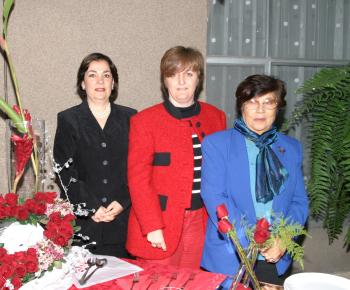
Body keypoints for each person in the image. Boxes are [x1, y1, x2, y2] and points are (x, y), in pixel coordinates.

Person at [200, 74, 308, 285]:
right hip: (230, 255)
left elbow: (299, 202)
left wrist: (284, 240)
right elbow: (214, 197)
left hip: (275, 257)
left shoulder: (292, 148)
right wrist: (255, 240)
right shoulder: (217, 144)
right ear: (241, 106)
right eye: (252, 102)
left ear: (278, 107)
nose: (260, 110)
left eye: (268, 102)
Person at [126, 46, 226, 269]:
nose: (181, 82)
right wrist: (151, 226)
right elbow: (138, 180)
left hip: (201, 223)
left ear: (198, 79)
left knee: (192, 283)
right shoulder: (144, 121)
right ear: (165, 81)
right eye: (173, 75)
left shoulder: (216, 117)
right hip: (159, 224)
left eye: (189, 74)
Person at [54, 52, 136, 257]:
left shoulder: (132, 118)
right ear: (82, 83)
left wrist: (123, 201)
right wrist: (92, 207)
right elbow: (65, 173)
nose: (100, 81)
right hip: (85, 224)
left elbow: (139, 167)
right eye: (92, 75)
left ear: (114, 83)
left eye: (106, 75)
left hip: (124, 222)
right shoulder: (68, 119)